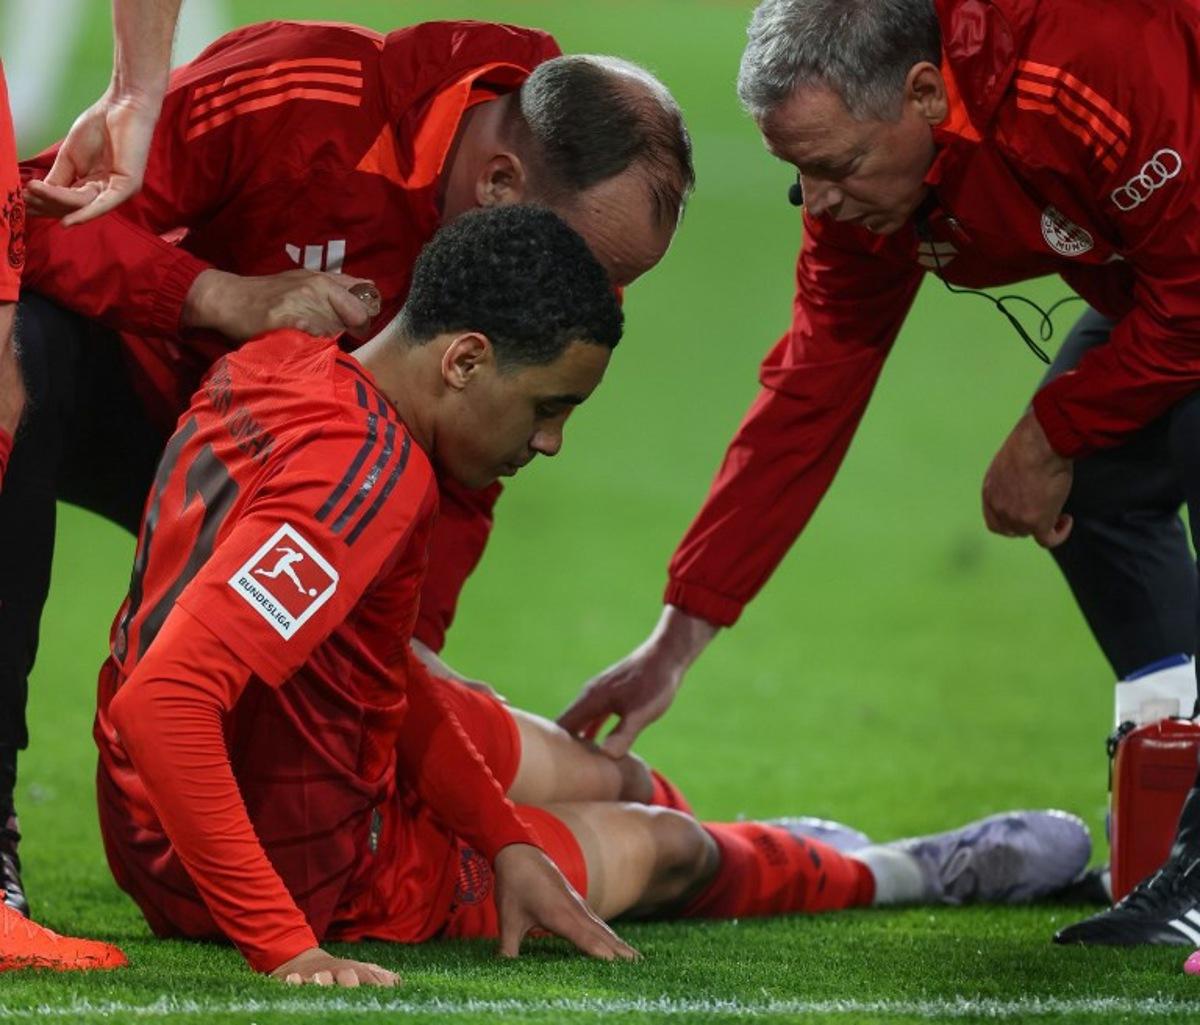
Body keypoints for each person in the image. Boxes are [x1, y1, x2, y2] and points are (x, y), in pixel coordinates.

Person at [84, 205, 1090, 985]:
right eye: (548, 406)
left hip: (218, 797)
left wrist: (503, 835)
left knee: (610, 774)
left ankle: (768, 844)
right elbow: (166, 703)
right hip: (306, 859)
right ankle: (901, 869)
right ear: (466, 359)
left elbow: (366, 670)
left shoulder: (280, 366)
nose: (551, 442)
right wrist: (286, 946)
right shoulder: (372, 476)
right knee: (672, 848)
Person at [0, 17, 694, 915]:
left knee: (433, 726)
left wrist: (410, 659)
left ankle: (730, 830)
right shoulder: (306, 95)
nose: (592, 297)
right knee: (19, 354)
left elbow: (475, 467)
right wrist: (213, 295)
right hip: (161, 421)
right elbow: (26, 219)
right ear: (497, 183)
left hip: (319, 496)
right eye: (593, 265)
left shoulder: (550, 242)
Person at [555, 0, 1200, 935]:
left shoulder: (1087, 61)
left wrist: (1050, 429)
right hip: (1170, 271)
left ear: (926, 94)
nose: (818, 203)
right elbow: (812, 389)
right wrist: (678, 637)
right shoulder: (870, 185)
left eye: (835, 166)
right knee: (1098, 486)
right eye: (797, 173)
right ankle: (1168, 822)